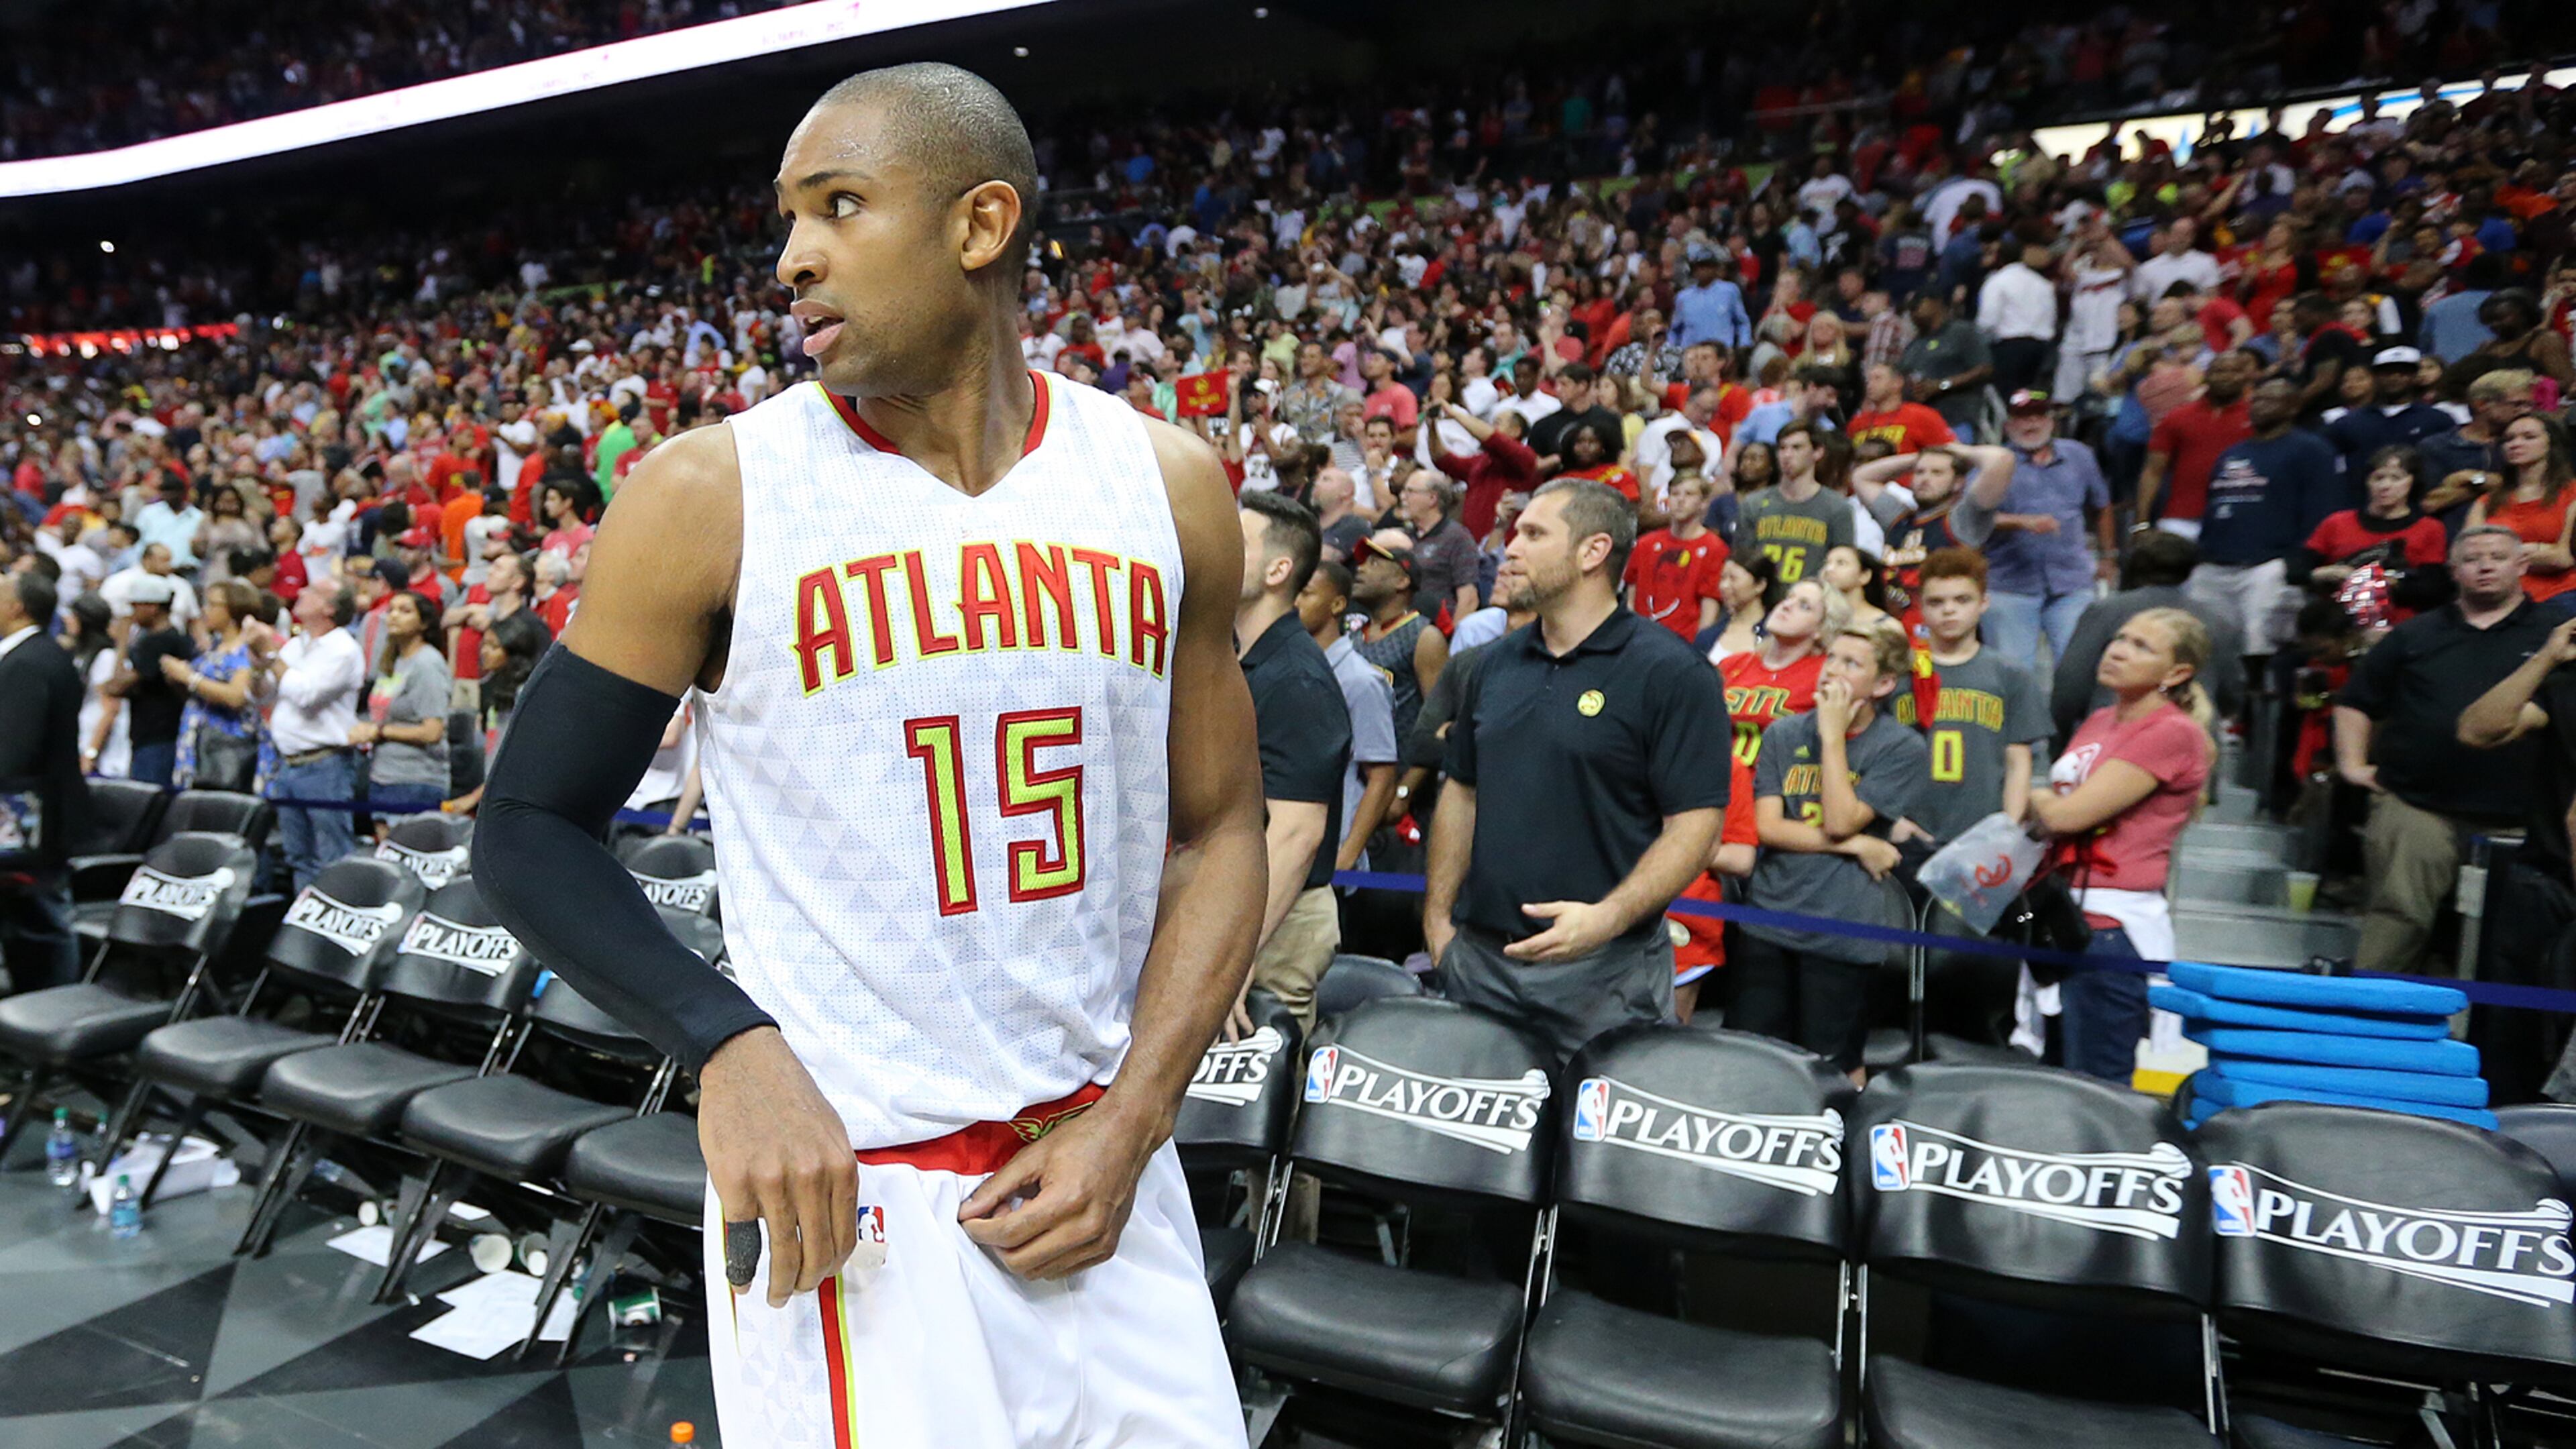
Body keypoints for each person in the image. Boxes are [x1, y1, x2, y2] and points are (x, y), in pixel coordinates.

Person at [470, 65, 1258, 1449]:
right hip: (857, 1204)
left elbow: (1223, 830)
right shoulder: (711, 492)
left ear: (980, 225)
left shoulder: (1167, 482)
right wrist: (725, 1045)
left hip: (1106, 1175)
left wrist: (1139, 1117)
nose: (791, 260)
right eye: (786, 219)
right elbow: (527, 822)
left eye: (838, 207)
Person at [1422, 479, 1729, 1062]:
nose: (1510, 548)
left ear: (1593, 552)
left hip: (1604, 976)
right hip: (1481, 962)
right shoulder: (1489, 666)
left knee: (1595, 1152)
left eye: (1534, 534)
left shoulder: (1672, 673)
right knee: (1474, 1152)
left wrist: (1607, 918)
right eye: (1515, 533)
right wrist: (1439, 925)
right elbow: (1461, 793)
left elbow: (1697, 827)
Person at [2338, 527, 2552, 974]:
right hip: (2417, 805)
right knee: (2397, 917)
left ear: (2522, 567)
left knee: (2512, 937)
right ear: (2454, 571)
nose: (2486, 565)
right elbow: (2357, 700)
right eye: (2473, 559)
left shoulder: (2556, 637)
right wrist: (2353, 765)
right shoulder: (2415, 633)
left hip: (2523, 819)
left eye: (2497, 557)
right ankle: (2366, 1021)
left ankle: (2494, 1036)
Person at [2028, 608, 2216, 1083]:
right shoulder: (2098, 720)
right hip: (2062, 914)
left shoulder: (2172, 732)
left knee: (2098, 1087)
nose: (2118, 650)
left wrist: (2034, 797)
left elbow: (2068, 815)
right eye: (2120, 638)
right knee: (2051, 1078)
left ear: (2177, 673)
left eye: (2141, 647)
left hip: (2111, 930)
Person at [1735, 623, 1927, 1076]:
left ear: (1882, 685)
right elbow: (1767, 827)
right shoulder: (1784, 733)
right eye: (1832, 658)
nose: (1831, 672)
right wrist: (1859, 845)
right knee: (1752, 1058)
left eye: (1851, 664)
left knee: (1833, 1066)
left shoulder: (1901, 747)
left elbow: (1841, 819)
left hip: (1843, 928)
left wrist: (1832, 738)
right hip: (1770, 918)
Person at [1230, 492, 1352, 1038]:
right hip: (1238, 906)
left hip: (1277, 914)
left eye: (1239, 540)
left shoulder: (1297, 678)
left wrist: (1235, 954)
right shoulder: (1239, 656)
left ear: (1280, 569)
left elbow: (1297, 833)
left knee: (1261, 1095)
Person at [2190, 378, 2342, 663]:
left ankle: (2258, 706)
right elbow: (2214, 505)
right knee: (2204, 646)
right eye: (2256, 400)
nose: (2260, 406)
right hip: (2215, 564)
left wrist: (2301, 561)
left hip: (2268, 565)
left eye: (2271, 400)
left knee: (2259, 645)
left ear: (2293, 407)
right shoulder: (2233, 453)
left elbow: (2321, 510)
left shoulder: (2311, 449)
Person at [1902, 549, 2051, 841]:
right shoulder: (1899, 673)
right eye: (1936, 602)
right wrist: (1892, 820)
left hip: (1983, 831)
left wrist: (2009, 827)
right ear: (1920, 606)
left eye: (1962, 600)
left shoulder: (2010, 674)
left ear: (1984, 603)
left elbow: (2018, 761)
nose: (1948, 610)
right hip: (1910, 830)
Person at [2053, 531, 2247, 744]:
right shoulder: (2216, 621)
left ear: (2136, 565)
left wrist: (2061, 740)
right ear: (2190, 569)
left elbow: (2071, 683)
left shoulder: (2105, 612)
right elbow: (2232, 691)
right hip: (2192, 745)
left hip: (2113, 741)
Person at [0, 570, 85, 994]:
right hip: (25, 818)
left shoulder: (29, 662)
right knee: (25, 925)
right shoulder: (31, 655)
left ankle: (56, 1015)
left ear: (17, 607)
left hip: (32, 822)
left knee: (45, 924)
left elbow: (13, 751)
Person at [258, 580, 366, 892]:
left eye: (312, 592)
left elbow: (306, 694)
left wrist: (270, 653)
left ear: (329, 608)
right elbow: (266, 692)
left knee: (333, 856)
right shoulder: (295, 645)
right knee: (298, 856)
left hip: (325, 764)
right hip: (288, 763)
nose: (301, 593)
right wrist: (257, 665)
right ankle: (302, 925)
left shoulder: (343, 649)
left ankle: (338, 925)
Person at [1297, 560, 1399, 875]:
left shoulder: (1360, 681)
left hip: (1331, 854)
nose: (1295, 601)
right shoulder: (1293, 669)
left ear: (1338, 604)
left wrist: (1346, 857)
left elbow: (1381, 776)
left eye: (1307, 593)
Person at [1853, 443, 2015, 634]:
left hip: (1941, 634)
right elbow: (1861, 477)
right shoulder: (1897, 519)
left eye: (1937, 473)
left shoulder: (1963, 519)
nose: (1925, 479)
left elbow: (2002, 460)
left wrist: (1954, 451)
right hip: (1894, 633)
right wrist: (1923, 456)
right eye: (1920, 472)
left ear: (1958, 483)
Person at [2290, 445, 2453, 628]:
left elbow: (2433, 589)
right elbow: (2296, 571)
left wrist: (2379, 582)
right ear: (2368, 482)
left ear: (2412, 482)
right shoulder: (2336, 523)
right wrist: (2322, 573)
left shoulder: (2430, 529)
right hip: (2338, 626)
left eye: (2396, 478)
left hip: (2400, 625)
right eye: (2378, 478)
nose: (2385, 486)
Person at [1719, 577, 1843, 769]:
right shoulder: (1734, 664)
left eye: (1804, 606)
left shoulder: (1825, 673)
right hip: (1717, 781)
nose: (1787, 606)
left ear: (1821, 628)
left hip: (1777, 786)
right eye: (1789, 598)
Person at [2136, 347, 2258, 538]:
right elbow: (2153, 471)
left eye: (2235, 371)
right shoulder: (2177, 418)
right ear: (2206, 376)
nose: (2226, 377)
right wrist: (2141, 524)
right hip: (2181, 518)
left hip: (2243, 516)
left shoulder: (2258, 419)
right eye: (2219, 371)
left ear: (2246, 377)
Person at [354, 591, 451, 830]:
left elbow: (433, 731)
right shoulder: (393, 661)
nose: (394, 616)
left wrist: (380, 731)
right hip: (384, 775)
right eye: (391, 610)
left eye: (405, 611)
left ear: (424, 623)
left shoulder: (427, 664)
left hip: (415, 779)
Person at [2465, 415, 2576, 609]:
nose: (2516, 444)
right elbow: (2471, 556)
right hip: (2500, 597)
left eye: (2529, 437)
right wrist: (2538, 550)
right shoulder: (2486, 502)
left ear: (2551, 444)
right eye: (2509, 439)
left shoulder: (2572, 493)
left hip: (2562, 594)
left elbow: (2563, 558)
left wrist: (2502, 554)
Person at [168, 578, 263, 792]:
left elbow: (237, 696)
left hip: (226, 747)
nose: (205, 610)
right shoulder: (214, 647)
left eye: (213, 604)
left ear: (233, 609)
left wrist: (189, 678)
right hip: (196, 741)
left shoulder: (246, 650)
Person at [1350, 535, 1447, 743]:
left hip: (1402, 766)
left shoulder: (1424, 636)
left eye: (1374, 563)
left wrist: (1414, 775)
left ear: (1402, 581)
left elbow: (1439, 722)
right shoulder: (1353, 638)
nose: (1361, 569)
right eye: (1362, 563)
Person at [1737, 421, 1854, 586]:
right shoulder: (1754, 504)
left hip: (1811, 602)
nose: (1787, 455)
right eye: (1782, 448)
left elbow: (1843, 567)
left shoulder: (1837, 508)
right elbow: (1741, 563)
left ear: (1818, 452)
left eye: (1797, 448)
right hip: (1763, 602)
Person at [1622, 472, 1731, 639]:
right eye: (1675, 494)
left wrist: (1699, 648)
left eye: (1689, 494)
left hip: (1685, 643)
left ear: (1703, 503)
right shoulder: (1645, 544)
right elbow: (1631, 599)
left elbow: (1709, 610)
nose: (1680, 500)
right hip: (1640, 639)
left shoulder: (1715, 549)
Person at [109, 574, 191, 787]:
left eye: (136, 606)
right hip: (159, 734)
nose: (132, 613)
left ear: (152, 607)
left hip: (157, 736)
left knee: (148, 806)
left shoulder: (157, 642)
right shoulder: (173, 637)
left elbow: (117, 685)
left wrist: (122, 642)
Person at [1703, 551, 1780, 661]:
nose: (1724, 586)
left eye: (1733, 579)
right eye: (1723, 578)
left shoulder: (1775, 635)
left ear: (1760, 585)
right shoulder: (1709, 636)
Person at [1821, 544, 1891, 633]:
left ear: (1864, 576)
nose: (1829, 569)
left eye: (1841, 563)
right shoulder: (1816, 619)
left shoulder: (1886, 627)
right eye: (1827, 563)